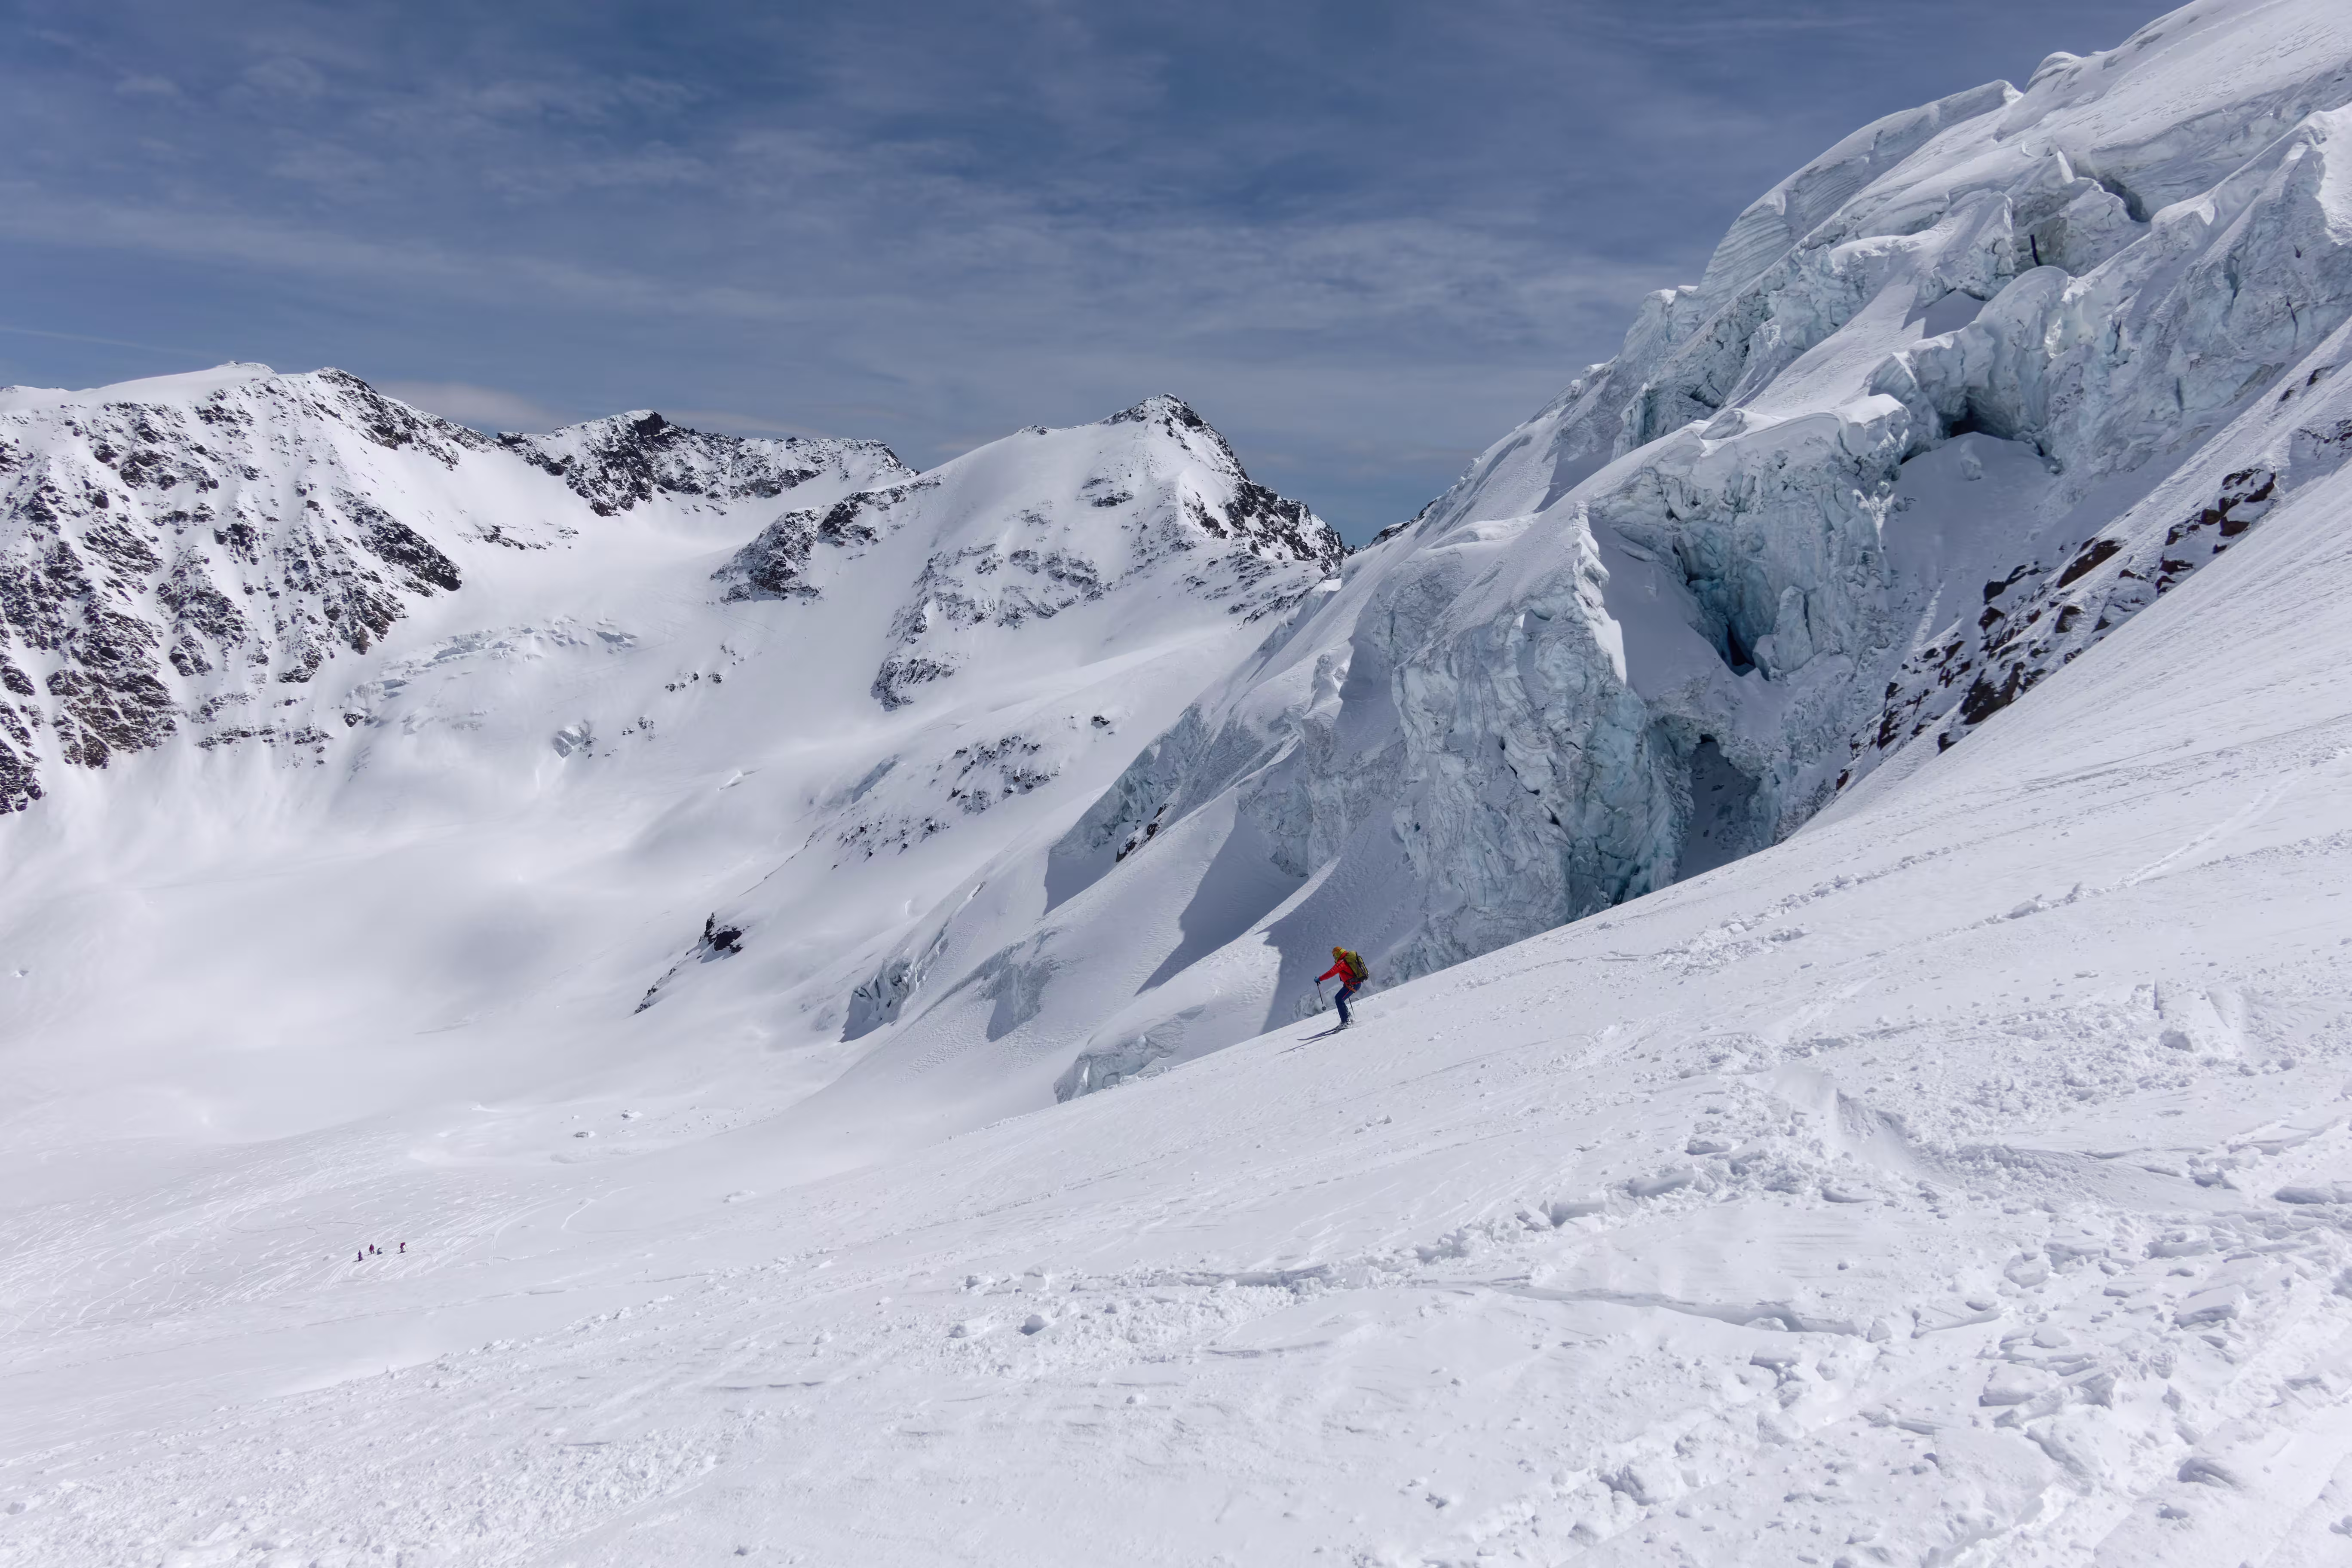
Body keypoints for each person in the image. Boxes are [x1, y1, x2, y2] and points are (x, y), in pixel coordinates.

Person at [1316, 946, 1369, 1027]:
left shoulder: (1342, 963)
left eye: (1335, 955)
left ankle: (1346, 1022)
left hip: (1353, 985)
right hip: (1353, 984)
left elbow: (1331, 973)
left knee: (1339, 1000)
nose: (1334, 958)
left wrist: (1320, 979)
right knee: (1338, 999)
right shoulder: (1347, 960)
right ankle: (1349, 1018)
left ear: (1338, 954)